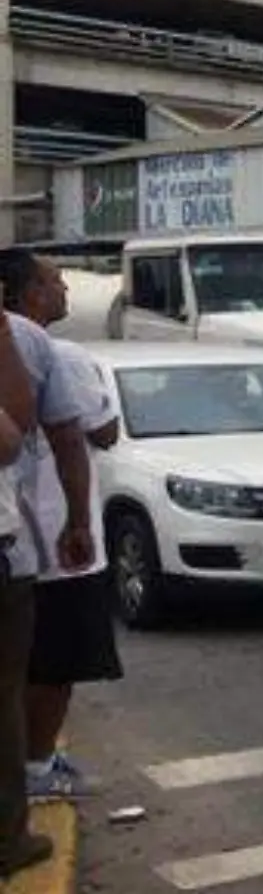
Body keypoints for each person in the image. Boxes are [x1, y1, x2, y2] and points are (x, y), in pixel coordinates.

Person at [6, 255, 122, 800]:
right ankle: (35, 770)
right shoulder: (59, 352)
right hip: (54, 538)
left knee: (26, 663)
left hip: (22, 537)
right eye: (54, 281)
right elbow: (98, 434)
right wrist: (79, 522)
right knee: (56, 663)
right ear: (30, 293)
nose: (64, 287)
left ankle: (33, 762)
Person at [0, 272, 87, 878]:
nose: (64, 289)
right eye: (54, 281)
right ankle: (8, 838)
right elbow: (14, 434)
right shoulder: (28, 340)